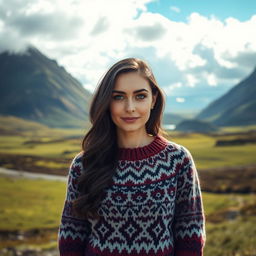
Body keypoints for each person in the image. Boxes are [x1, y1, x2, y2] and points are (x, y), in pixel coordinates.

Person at [58, 58, 206, 256]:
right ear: (107, 103)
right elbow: (71, 236)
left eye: (140, 96)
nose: (130, 107)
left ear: (153, 100)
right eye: (118, 97)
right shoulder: (84, 164)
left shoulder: (178, 160)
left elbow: (191, 237)